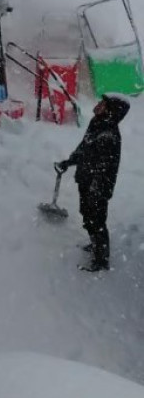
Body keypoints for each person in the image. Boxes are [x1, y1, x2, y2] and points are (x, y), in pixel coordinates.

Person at [55, 93, 130, 272]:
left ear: (111, 111)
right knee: (87, 215)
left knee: (96, 220)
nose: (98, 104)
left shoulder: (108, 135)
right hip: (86, 180)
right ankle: (95, 243)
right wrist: (68, 162)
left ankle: (101, 260)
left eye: (103, 103)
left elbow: (102, 170)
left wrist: (95, 191)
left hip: (98, 187)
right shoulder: (96, 123)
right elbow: (84, 148)